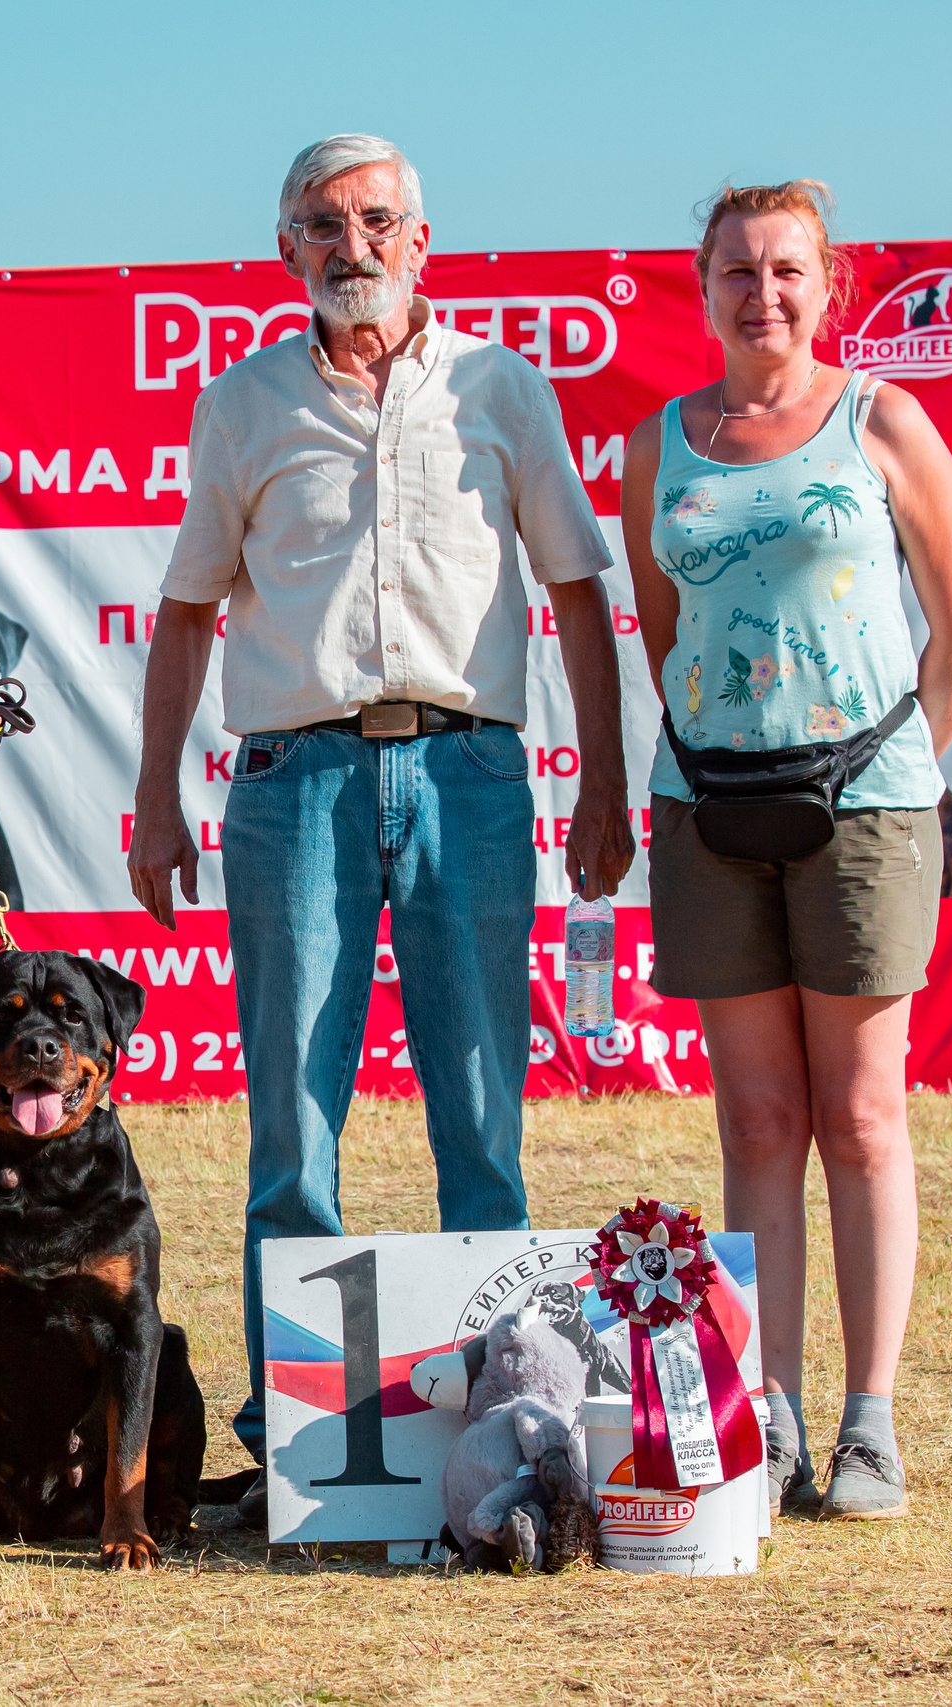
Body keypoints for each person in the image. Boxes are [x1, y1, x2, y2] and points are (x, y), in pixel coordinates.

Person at [128, 135, 634, 1508]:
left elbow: (579, 588)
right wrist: (154, 797)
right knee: (293, 1120)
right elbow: (183, 613)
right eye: (319, 224)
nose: (349, 243)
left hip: (470, 774)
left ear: (422, 240)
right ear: (285, 250)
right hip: (297, 782)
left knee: (481, 1112)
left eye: (374, 220)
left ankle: (519, 1425)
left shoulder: (500, 386)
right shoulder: (240, 406)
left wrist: (605, 777)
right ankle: (296, 1451)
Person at [622, 181, 952, 1520]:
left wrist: (892, 779)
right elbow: (666, 638)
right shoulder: (657, 447)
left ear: (828, 285)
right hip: (710, 810)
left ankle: (869, 1426)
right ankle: (768, 1419)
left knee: (861, 1114)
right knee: (759, 1119)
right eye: (736, 270)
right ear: (703, 284)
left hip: (866, 808)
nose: (760, 293)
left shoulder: (883, 421)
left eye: (786, 269)